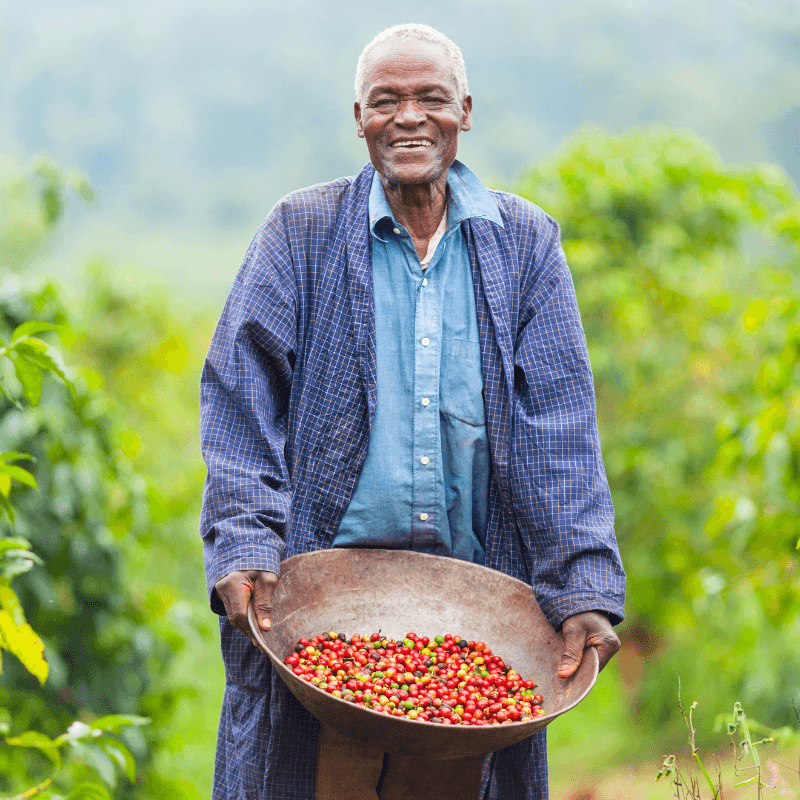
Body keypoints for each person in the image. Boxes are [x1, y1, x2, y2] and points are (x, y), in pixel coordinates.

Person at [200, 23, 625, 800]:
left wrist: (583, 587)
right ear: (357, 117)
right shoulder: (302, 232)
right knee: (304, 777)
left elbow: (558, 428)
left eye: (431, 98)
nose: (409, 117)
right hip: (322, 605)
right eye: (385, 100)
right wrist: (242, 540)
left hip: (476, 605)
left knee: (464, 777)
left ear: (465, 110)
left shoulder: (524, 244)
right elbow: (240, 392)